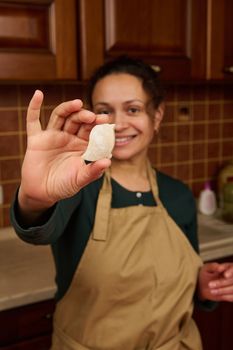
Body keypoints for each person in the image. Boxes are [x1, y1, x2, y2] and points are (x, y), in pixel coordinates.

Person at [10, 56, 233, 350]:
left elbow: (174, 284)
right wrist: (35, 197)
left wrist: (202, 285)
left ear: (157, 116)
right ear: (93, 118)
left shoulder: (177, 195)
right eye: (105, 111)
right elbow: (35, 228)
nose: (118, 123)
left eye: (133, 109)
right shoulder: (77, 188)